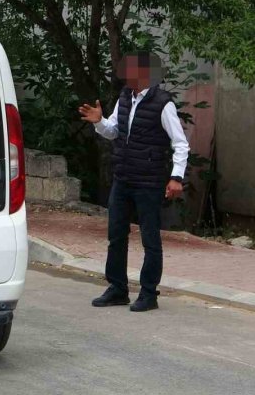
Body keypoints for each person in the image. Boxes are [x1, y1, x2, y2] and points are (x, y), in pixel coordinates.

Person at [77, 52, 190, 312]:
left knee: (150, 239)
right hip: (123, 178)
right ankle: (118, 289)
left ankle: (149, 293)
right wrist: (99, 122)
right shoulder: (125, 97)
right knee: (116, 235)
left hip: (149, 181)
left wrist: (176, 177)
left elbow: (180, 143)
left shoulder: (163, 104)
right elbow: (115, 131)